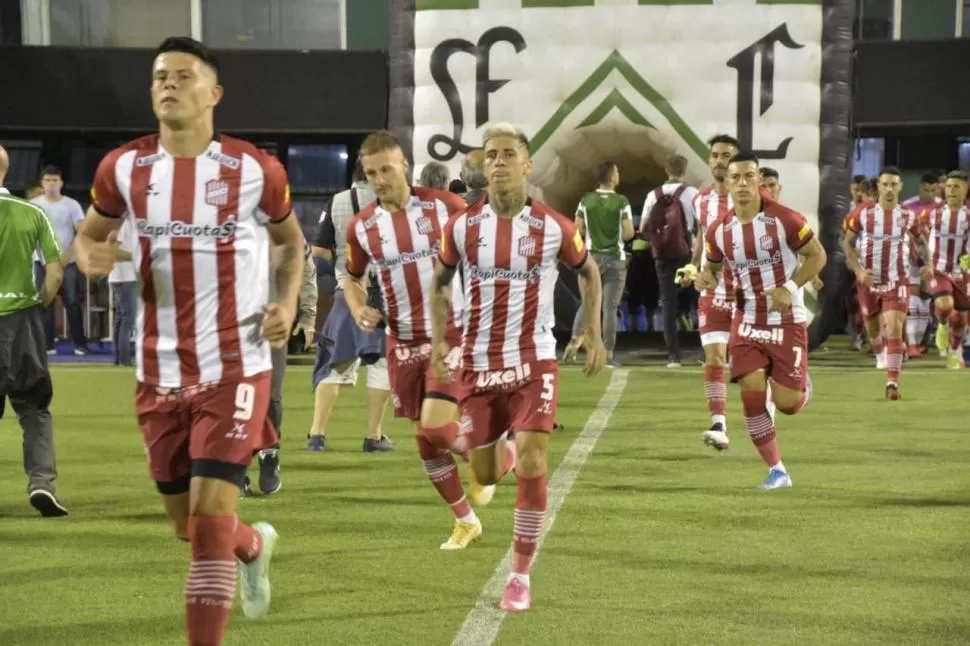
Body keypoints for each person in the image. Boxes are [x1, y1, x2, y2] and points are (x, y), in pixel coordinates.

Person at [73, 37, 303, 644]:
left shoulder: (256, 169)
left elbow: (290, 243)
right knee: (187, 526)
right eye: (158, 78)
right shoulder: (123, 168)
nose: (167, 85)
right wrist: (88, 255)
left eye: (181, 76)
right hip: (157, 373)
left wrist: (287, 303)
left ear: (214, 94)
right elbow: (89, 236)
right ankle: (253, 548)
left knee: (206, 523)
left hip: (236, 367)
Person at [430, 122, 607, 612]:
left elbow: (589, 272)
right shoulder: (463, 226)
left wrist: (593, 331)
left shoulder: (553, 226)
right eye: (491, 156)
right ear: (482, 166)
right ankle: (497, 454)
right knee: (484, 473)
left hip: (534, 359)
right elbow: (440, 280)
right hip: (478, 363)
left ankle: (520, 576)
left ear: (528, 165)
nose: (499, 162)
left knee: (534, 461)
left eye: (509, 154)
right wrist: (438, 342)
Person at [344, 129, 492, 551]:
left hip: (449, 333)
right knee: (426, 442)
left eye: (386, 169)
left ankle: (488, 449)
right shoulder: (363, 227)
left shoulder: (444, 206)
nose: (379, 179)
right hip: (401, 340)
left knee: (435, 425)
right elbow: (352, 278)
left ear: (404, 165)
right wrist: (358, 308)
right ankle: (466, 520)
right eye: (371, 173)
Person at [695, 151, 826, 490]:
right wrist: (705, 279)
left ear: (758, 181)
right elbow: (710, 269)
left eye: (748, 177)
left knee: (787, 405)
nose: (741, 183)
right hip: (747, 319)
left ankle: (801, 388)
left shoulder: (786, 219)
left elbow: (818, 256)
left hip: (787, 319)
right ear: (726, 184)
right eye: (734, 178)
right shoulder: (719, 231)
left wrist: (790, 286)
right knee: (752, 394)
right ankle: (777, 470)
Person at [0, 145, 69, 517]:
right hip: (22, 320)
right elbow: (56, 271)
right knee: (34, 409)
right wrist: (36, 304)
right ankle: (42, 484)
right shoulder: (33, 213)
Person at [309, 162, 393, 453]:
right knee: (382, 365)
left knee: (335, 363)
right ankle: (373, 437)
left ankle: (317, 435)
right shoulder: (392, 201)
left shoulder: (337, 201)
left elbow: (318, 249)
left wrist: (339, 270)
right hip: (383, 291)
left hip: (347, 290)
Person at [842, 167, 929, 399]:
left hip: (897, 280)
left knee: (894, 327)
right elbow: (847, 244)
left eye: (894, 184)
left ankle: (892, 382)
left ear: (900, 186)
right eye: (885, 184)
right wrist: (859, 271)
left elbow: (920, 241)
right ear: (878, 187)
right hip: (869, 280)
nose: (889, 189)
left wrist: (927, 263)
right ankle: (880, 353)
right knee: (871, 324)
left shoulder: (908, 215)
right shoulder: (862, 213)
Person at [241, 240, 318, 497]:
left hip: (273, 324)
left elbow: (306, 268)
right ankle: (234, 465)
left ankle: (269, 453)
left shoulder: (283, 227)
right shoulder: (221, 223)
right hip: (228, 324)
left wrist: (307, 316)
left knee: (270, 393)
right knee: (231, 396)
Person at [678, 134, 739, 449]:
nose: (720, 160)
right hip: (712, 293)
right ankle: (719, 424)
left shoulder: (751, 199)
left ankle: (770, 409)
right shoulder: (700, 200)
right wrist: (693, 266)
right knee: (715, 357)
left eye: (726, 155)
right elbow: (702, 237)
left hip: (748, 295)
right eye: (715, 155)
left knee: (750, 365)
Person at [560, 160, 635, 368]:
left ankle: (574, 344)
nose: (619, 175)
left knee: (587, 303)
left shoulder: (586, 200)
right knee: (610, 307)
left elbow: (578, 229)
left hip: (591, 258)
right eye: (617, 171)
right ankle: (608, 353)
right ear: (612, 177)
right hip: (615, 258)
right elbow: (628, 232)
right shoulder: (621, 201)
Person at [639, 154, 699, 368]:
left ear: (667, 170)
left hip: (662, 254)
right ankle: (708, 351)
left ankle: (674, 356)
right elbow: (702, 225)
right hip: (688, 253)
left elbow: (644, 227)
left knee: (668, 303)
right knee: (700, 301)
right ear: (685, 171)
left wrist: (659, 238)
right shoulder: (692, 193)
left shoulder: (652, 195)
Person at [31, 166, 89, 355]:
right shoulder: (34, 205)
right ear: (42, 183)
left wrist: (67, 255)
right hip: (42, 261)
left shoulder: (72, 205)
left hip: (67, 262)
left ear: (61, 183)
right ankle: (47, 345)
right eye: (47, 180)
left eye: (54, 180)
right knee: (44, 303)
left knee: (72, 303)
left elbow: (81, 232)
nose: (51, 184)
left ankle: (80, 343)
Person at [922, 170, 970, 369]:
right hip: (938, 270)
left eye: (956, 186)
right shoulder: (932, 214)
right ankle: (941, 325)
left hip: (961, 273)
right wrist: (925, 262)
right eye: (949, 186)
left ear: (965, 189)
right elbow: (919, 239)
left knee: (960, 318)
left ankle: (954, 351)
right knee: (944, 305)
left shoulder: (968, 216)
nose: (951, 190)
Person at [107, 219, 137, 366]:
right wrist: (137, 256)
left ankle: (118, 358)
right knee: (127, 318)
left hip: (121, 277)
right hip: (124, 277)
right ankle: (124, 359)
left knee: (121, 318)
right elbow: (114, 252)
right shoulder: (128, 224)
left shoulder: (128, 224)